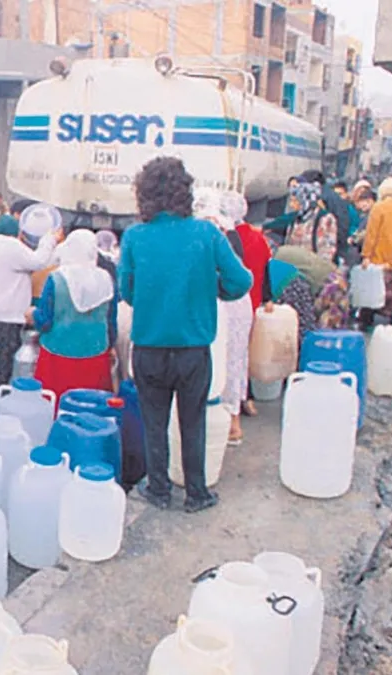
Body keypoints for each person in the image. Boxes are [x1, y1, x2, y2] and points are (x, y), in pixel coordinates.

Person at [120, 157, 252, 514]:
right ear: (185, 192)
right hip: (193, 350)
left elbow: (126, 291)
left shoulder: (134, 237)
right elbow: (242, 281)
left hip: (148, 348)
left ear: (143, 194)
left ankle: (159, 490)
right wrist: (212, 292)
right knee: (193, 421)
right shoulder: (207, 234)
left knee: (154, 422)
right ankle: (197, 493)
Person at [0, 202, 61, 391]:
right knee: (5, 368)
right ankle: (2, 402)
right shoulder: (12, 247)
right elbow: (39, 261)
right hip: (6, 317)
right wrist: (50, 240)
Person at [28, 229, 117, 399]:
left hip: (58, 356)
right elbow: (111, 320)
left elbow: (45, 321)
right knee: (91, 408)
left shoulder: (56, 279)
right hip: (96, 354)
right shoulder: (106, 280)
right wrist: (110, 345)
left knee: (57, 406)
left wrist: (33, 314)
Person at [215, 191, 255, 443]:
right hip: (241, 303)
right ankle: (233, 421)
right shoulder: (233, 235)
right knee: (236, 360)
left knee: (224, 361)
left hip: (227, 304)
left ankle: (228, 425)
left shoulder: (218, 236)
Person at [359, 178, 392, 331]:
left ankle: (367, 321)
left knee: (374, 291)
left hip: (380, 256)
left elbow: (372, 234)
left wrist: (366, 255)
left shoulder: (379, 208)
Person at [284, 182, 339, 264]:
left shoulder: (325, 219)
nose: (291, 205)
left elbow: (327, 251)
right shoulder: (295, 219)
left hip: (313, 270)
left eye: (295, 201)